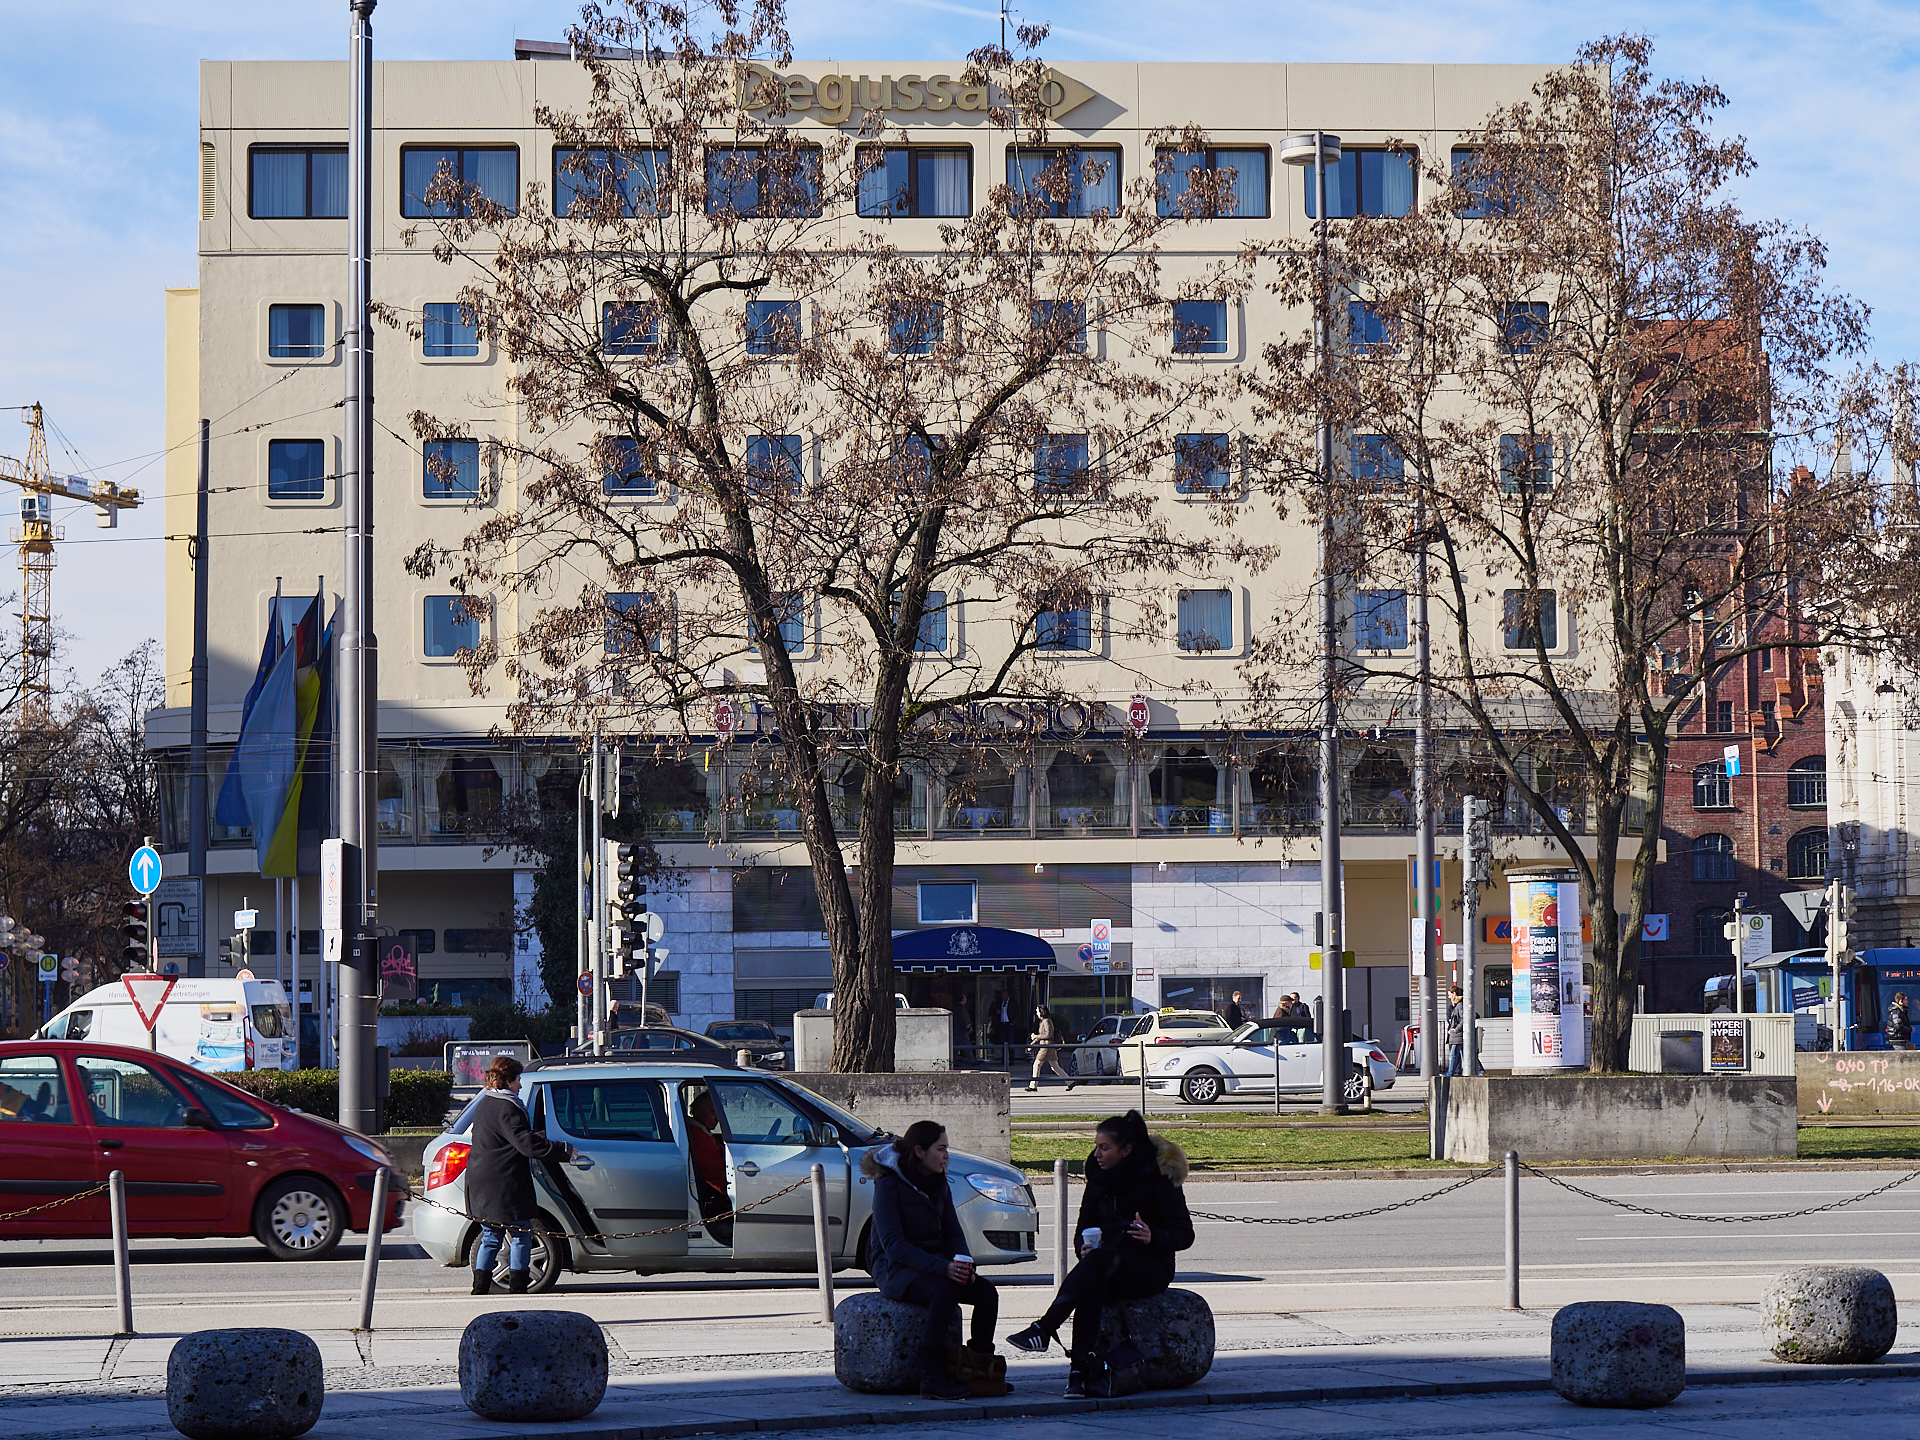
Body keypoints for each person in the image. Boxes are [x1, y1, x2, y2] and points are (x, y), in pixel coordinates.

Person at [1007, 1110, 1194, 1397]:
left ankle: (1045, 1328)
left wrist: (1153, 1236)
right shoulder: (1098, 1178)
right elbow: (1083, 1227)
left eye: (1105, 1148)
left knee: (1100, 1263)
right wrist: (1082, 1246)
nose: (1097, 1154)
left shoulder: (1157, 1177)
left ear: (1126, 1150)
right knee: (1094, 1283)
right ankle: (1078, 1373)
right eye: (1096, 1146)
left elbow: (1184, 1234)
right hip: (1105, 1264)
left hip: (1150, 1266)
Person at [862, 1120, 999, 1401]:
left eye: (947, 1148)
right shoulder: (888, 1185)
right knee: (945, 1290)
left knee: (986, 1292)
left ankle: (980, 1369)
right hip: (895, 1269)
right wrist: (944, 1268)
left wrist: (963, 1264)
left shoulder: (939, 1183)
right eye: (941, 1148)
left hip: (934, 1264)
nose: (947, 1155)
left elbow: (953, 1231)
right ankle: (932, 1376)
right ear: (919, 1152)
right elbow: (893, 1246)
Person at [466, 1054, 574, 1295]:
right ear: (508, 1081)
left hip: (483, 1180)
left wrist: (534, 1135)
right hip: (506, 1182)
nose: (520, 1085)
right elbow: (524, 1145)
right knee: (521, 1233)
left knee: (491, 1236)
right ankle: (517, 1287)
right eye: (518, 1080)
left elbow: (503, 1139)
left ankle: (480, 1287)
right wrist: (563, 1149)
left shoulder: (485, 1103)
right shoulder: (508, 1106)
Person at [686, 1088, 733, 1244]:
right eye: (713, 1113)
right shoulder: (699, 1137)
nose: (717, 1119)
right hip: (717, 1198)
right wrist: (732, 1195)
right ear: (698, 1112)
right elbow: (714, 1175)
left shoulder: (702, 1132)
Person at [1028, 1004, 1074, 1093]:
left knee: (1037, 1065)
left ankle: (1033, 1086)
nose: (1036, 1013)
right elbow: (1042, 1036)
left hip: (1046, 1047)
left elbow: (1048, 1035)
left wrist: (1035, 1037)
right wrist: (1032, 1043)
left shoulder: (1046, 1021)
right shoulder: (1044, 1021)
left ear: (1041, 1012)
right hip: (1048, 1047)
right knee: (1055, 1067)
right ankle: (1070, 1082)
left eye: (1037, 1011)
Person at [1445, 985, 1465, 1076]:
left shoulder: (1459, 1005)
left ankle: (1450, 1073)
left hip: (1457, 1035)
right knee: (1463, 1055)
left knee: (1453, 1056)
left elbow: (1463, 1019)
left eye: (1449, 994)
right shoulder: (1456, 1006)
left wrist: (1456, 1029)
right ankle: (1480, 1071)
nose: (1448, 997)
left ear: (1454, 994)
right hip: (1456, 1035)